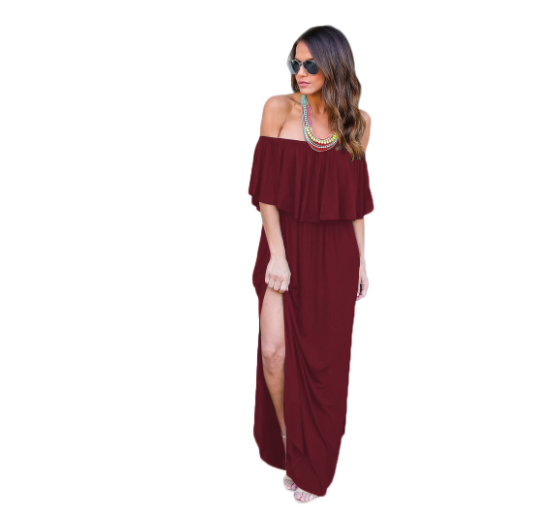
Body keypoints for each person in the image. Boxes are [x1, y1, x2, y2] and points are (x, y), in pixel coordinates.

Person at [248, 25, 374, 503]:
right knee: (273, 351)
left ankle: (314, 461)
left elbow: (354, 202)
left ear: (334, 66)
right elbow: (266, 192)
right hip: (284, 246)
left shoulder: (357, 122)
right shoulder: (278, 109)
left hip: (335, 254)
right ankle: (289, 441)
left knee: (327, 362)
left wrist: (362, 261)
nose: (300, 72)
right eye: (294, 63)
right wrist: (277, 255)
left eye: (310, 64)